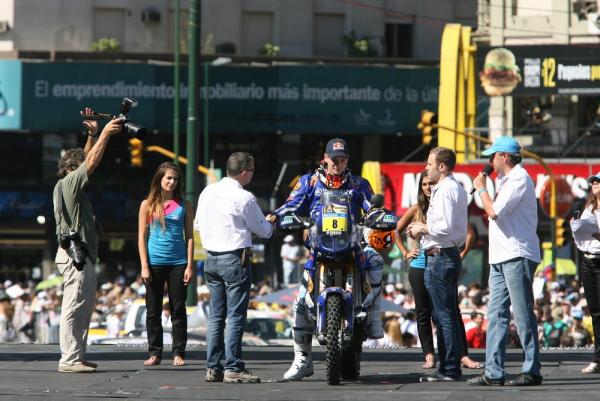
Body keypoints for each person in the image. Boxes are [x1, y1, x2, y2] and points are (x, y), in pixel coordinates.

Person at [266, 138, 380, 381]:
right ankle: (302, 359)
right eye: (333, 159)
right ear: (324, 159)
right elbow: (292, 205)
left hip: (351, 248)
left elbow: (373, 208)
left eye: (342, 159)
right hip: (319, 251)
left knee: (376, 266)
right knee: (300, 302)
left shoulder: (359, 184)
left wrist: (380, 215)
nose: (337, 163)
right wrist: (275, 217)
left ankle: (373, 318)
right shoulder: (309, 182)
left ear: (347, 159)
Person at [469, 136, 543, 386]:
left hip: (517, 253)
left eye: (494, 155)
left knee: (522, 314)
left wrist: (480, 187)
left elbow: (493, 212)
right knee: (496, 314)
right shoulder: (504, 180)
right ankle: (493, 371)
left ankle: (532, 370)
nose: (489, 161)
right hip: (500, 255)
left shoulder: (519, 179)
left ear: (506, 157)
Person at [53, 108, 122, 373]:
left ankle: (76, 356)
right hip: (75, 254)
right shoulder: (68, 183)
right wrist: (105, 133)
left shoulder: (71, 185)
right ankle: (69, 359)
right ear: (71, 169)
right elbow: (89, 163)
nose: (86, 171)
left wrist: (91, 135)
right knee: (74, 306)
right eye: (79, 166)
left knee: (83, 307)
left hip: (81, 253)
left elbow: (85, 160)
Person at [194, 152, 273, 383]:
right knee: (236, 315)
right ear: (245, 172)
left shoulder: (208, 191)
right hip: (234, 258)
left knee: (216, 316)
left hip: (211, 259)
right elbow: (263, 231)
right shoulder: (244, 197)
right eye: (253, 171)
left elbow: (198, 224)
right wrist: (269, 223)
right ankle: (233, 367)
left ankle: (213, 367)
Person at [407, 147, 467, 382]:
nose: (426, 168)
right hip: (446, 254)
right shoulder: (455, 188)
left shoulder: (444, 190)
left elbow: (444, 227)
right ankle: (449, 367)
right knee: (447, 314)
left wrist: (422, 228)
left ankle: (449, 369)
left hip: (440, 256)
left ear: (442, 167)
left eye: (430, 164)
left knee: (443, 316)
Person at [138, 162, 194, 367]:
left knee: (178, 309)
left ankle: (178, 352)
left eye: (175, 179)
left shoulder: (184, 205)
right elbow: (141, 237)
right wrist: (144, 265)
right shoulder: (147, 205)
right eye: (168, 178)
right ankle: (155, 352)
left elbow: (189, 237)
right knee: (153, 310)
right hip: (154, 263)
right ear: (159, 180)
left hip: (178, 262)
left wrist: (189, 265)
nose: (172, 182)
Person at [573, 171, 600, 373]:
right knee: (595, 312)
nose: (594, 184)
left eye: (598, 181)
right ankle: (597, 358)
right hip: (587, 261)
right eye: (593, 181)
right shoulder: (590, 207)